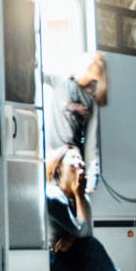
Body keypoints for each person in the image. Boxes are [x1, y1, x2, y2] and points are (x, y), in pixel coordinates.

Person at [45, 51, 108, 193]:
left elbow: (92, 143)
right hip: (58, 158)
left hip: (69, 162)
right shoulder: (61, 81)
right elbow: (39, 75)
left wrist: (91, 179)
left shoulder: (90, 101)